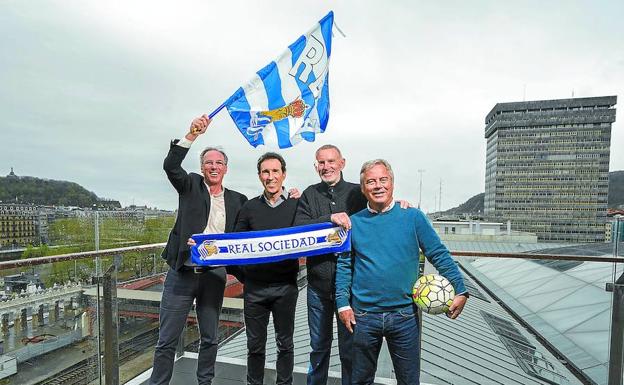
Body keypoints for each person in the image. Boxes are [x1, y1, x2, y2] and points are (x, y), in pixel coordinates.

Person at [335, 159, 469, 385]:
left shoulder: (413, 217)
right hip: (363, 317)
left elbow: (438, 253)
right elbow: (344, 265)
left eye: (383, 179)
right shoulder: (352, 224)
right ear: (363, 188)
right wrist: (342, 304)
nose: (378, 186)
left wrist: (461, 289)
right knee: (358, 381)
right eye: (371, 181)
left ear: (392, 183)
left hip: (405, 316)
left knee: (408, 381)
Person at [150, 115, 248, 385]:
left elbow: (255, 226)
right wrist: (192, 134)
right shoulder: (190, 185)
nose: (213, 167)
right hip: (182, 273)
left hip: (213, 276)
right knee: (167, 339)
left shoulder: (238, 200)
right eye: (208, 163)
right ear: (202, 167)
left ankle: (205, 382)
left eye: (219, 163)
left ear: (226, 169)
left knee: (210, 337)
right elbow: (170, 165)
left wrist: (289, 197)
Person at [294, 144, 366, 385]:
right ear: (316, 167)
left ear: (342, 163)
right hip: (318, 288)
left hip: (352, 289)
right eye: (321, 163)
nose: (327, 167)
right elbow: (299, 229)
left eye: (331, 161)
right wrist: (329, 220)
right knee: (318, 348)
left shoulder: (359, 192)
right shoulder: (309, 194)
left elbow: (381, 209)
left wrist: (402, 206)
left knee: (351, 350)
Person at [234, 152, 299, 385]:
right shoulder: (249, 208)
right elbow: (234, 246)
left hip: (286, 288)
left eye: (275, 171)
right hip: (255, 290)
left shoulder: (297, 204)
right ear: (260, 176)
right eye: (265, 172)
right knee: (255, 347)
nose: (270, 177)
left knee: (286, 344)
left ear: (283, 174)